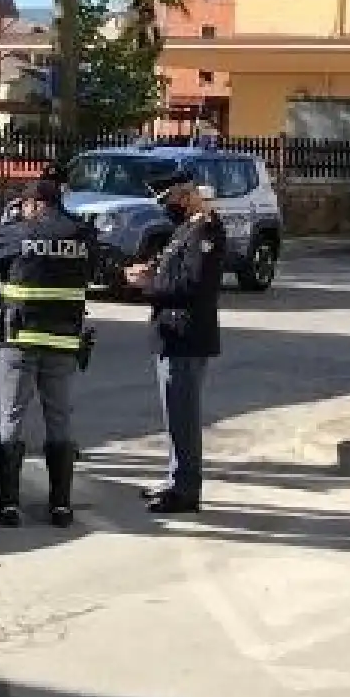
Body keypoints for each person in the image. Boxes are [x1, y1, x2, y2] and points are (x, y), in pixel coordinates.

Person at [0, 178, 96, 527]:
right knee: (59, 420)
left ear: (34, 204)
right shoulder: (82, 235)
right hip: (63, 342)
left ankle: (9, 505)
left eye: (25, 204)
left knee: (10, 420)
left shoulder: (20, 232)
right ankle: (60, 507)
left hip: (20, 340)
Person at [124, 170, 227, 515]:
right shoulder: (187, 229)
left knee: (183, 416)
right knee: (174, 415)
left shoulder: (206, 231)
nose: (168, 207)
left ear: (185, 195)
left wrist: (148, 286)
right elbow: (172, 271)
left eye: (169, 199)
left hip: (186, 335)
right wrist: (147, 273)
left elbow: (193, 286)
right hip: (172, 334)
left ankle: (185, 490)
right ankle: (175, 478)